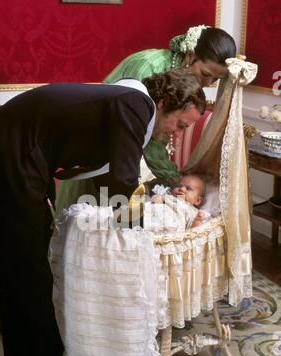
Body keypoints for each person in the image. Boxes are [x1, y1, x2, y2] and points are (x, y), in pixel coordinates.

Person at [0, 70, 205, 356]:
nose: (175, 134)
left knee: (34, 277)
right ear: (164, 104)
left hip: (18, 158)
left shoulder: (123, 101)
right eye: (179, 124)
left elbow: (105, 173)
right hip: (7, 161)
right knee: (28, 282)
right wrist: (136, 239)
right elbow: (123, 179)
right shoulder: (136, 104)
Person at [55, 25, 236, 215]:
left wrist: (173, 179)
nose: (207, 84)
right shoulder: (148, 67)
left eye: (214, 80)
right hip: (103, 141)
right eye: (206, 74)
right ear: (191, 55)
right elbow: (135, 131)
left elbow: (157, 135)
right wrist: (170, 177)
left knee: (113, 213)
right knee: (92, 214)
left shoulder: (183, 84)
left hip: (124, 147)